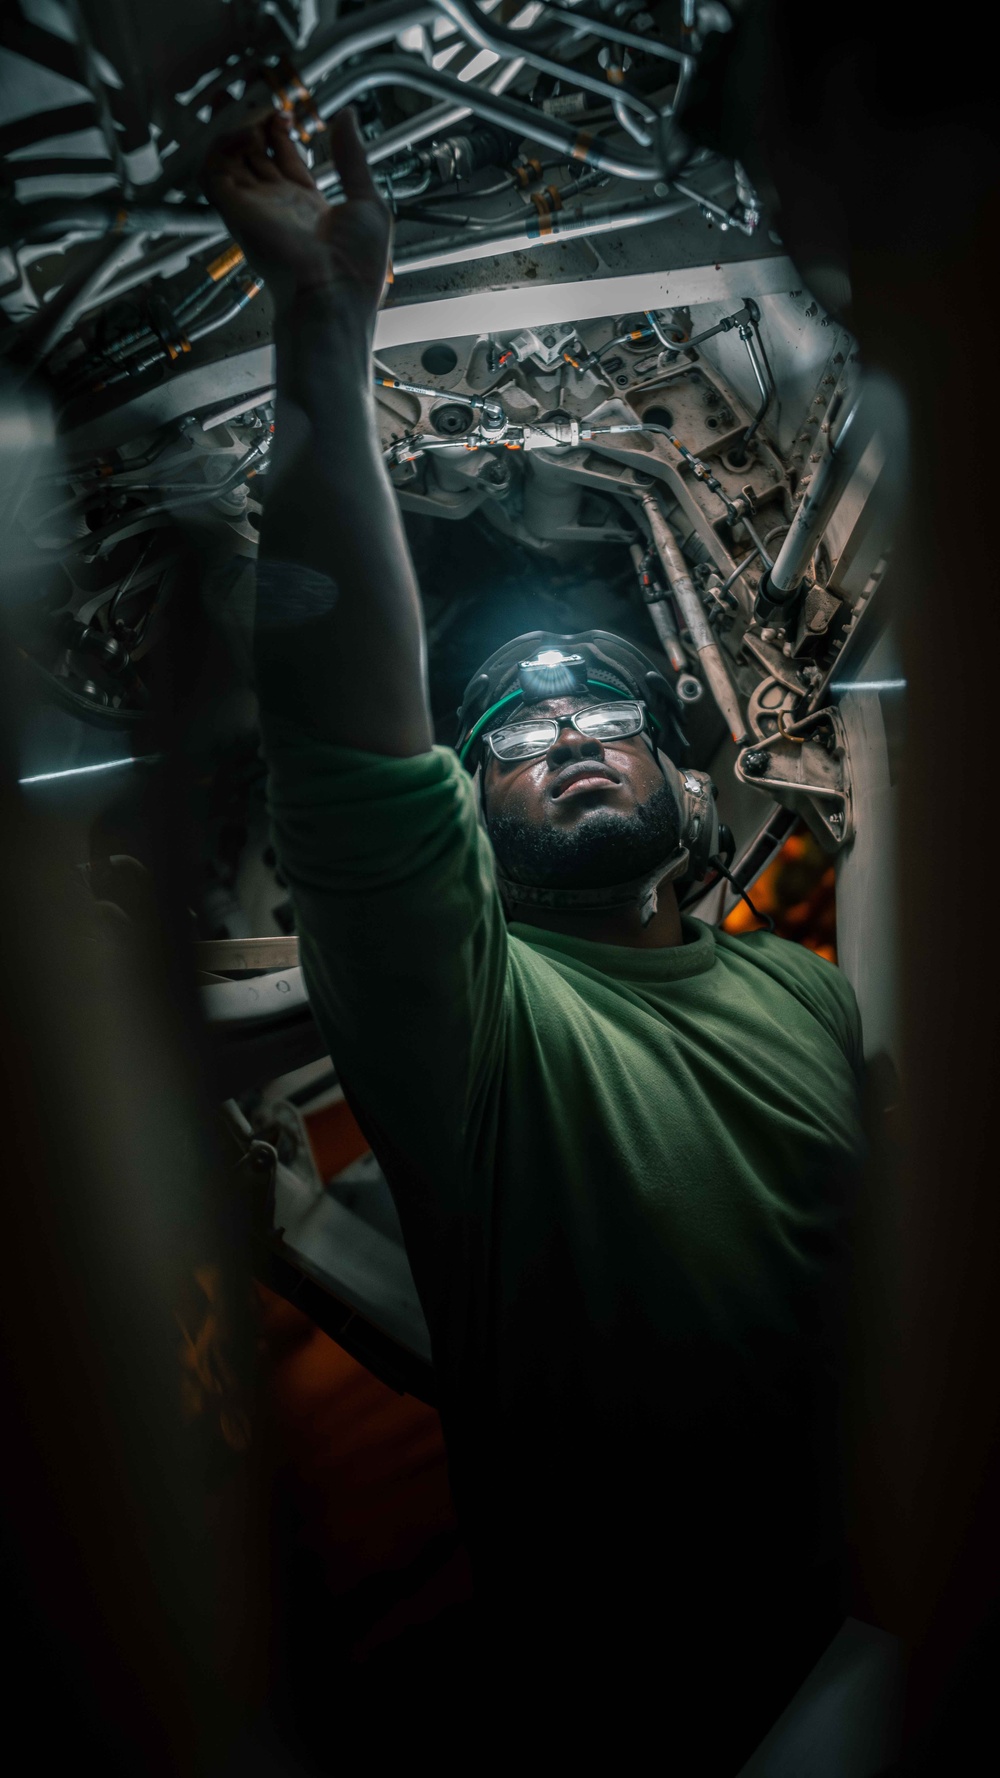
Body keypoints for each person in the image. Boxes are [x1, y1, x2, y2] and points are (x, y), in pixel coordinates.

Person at [206, 110, 866, 1768]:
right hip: (695, 1708)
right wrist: (323, 327)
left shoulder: (802, 987)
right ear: (473, 825)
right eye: (507, 731)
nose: (560, 729)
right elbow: (349, 738)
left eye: (594, 703)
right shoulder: (478, 1029)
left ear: (681, 763)